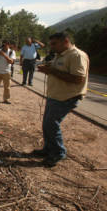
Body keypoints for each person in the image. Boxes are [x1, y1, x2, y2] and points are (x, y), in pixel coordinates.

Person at [32, 32, 89, 167]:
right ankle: (48, 149)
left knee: (52, 124)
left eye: (54, 44)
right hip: (55, 95)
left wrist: (52, 71)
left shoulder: (77, 55)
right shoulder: (60, 54)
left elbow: (78, 78)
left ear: (65, 41)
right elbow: (57, 70)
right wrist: (47, 69)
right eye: (51, 44)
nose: (51, 47)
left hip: (67, 96)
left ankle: (58, 152)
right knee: (47, 124)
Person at [0, 40, 15, 104]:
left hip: (7, 71)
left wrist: (3, 54)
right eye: (3, 45)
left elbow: (11, 61)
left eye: (5, 45)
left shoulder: (11, 52)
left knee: (7, 87)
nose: (4, 46)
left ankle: (6, 99)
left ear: (8, 44)